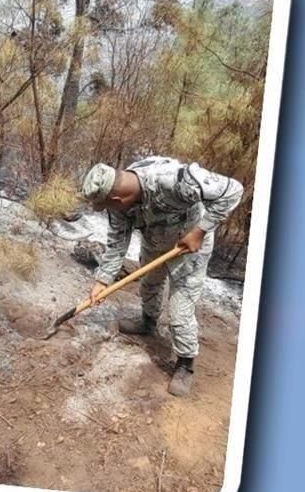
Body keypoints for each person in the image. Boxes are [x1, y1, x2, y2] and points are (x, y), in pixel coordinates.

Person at [80, 157, 243, 396]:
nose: (110, 212)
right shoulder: (119, 204)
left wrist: (199, 231)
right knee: (149, 286)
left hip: (188, 247)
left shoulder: (174, 180)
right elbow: (117, 243)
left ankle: (185, 364)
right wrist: (101, 281)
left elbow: (233, 190)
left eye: (108, 206)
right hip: (155, 243)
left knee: (179, 311)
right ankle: (148, 323)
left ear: (116, 200)